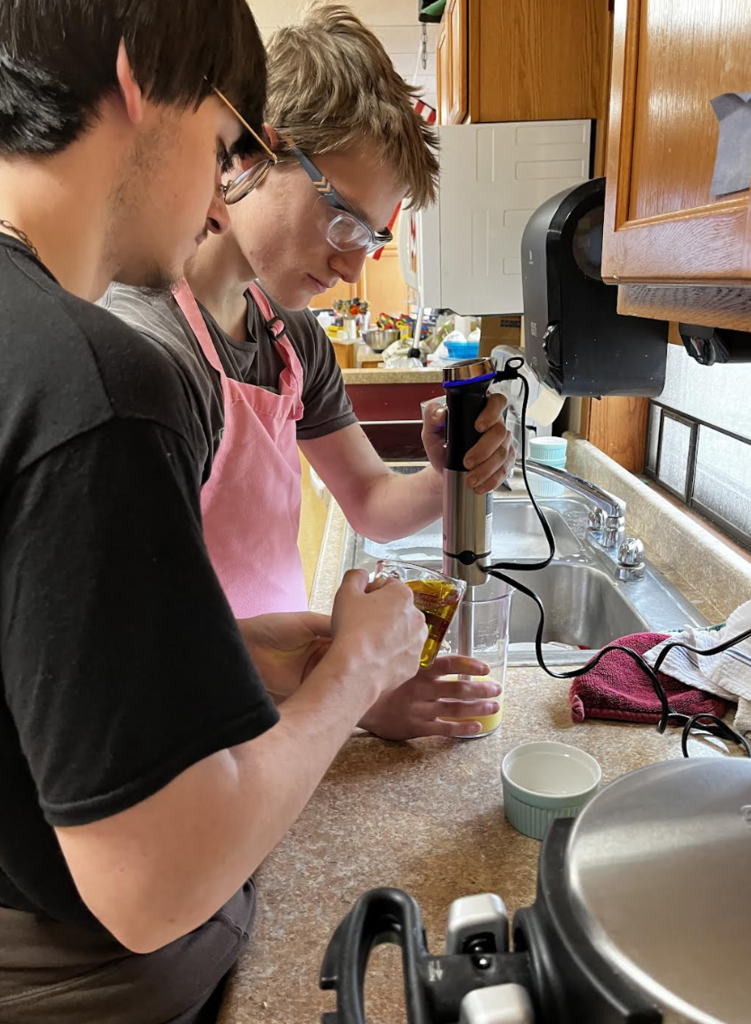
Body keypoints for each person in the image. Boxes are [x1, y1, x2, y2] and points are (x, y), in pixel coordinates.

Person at [0, 3, 445, 1020]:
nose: (220, 187)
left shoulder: (37, 345)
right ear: (138, 84)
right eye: (224, 143)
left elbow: (53, 670)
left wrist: (247, 659)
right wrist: (353, 677)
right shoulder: (101, 380)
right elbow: (153, 884)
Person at [101, 2, 515, 741]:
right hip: (185, 722)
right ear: (258, 151)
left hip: (277, 705)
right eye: (344, 220)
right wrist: (346, 691)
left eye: (374, 237)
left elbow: (370, 503)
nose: (354, 266)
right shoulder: (144, 344)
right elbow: (132, 639)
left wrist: (449, 471)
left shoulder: (291, 337)